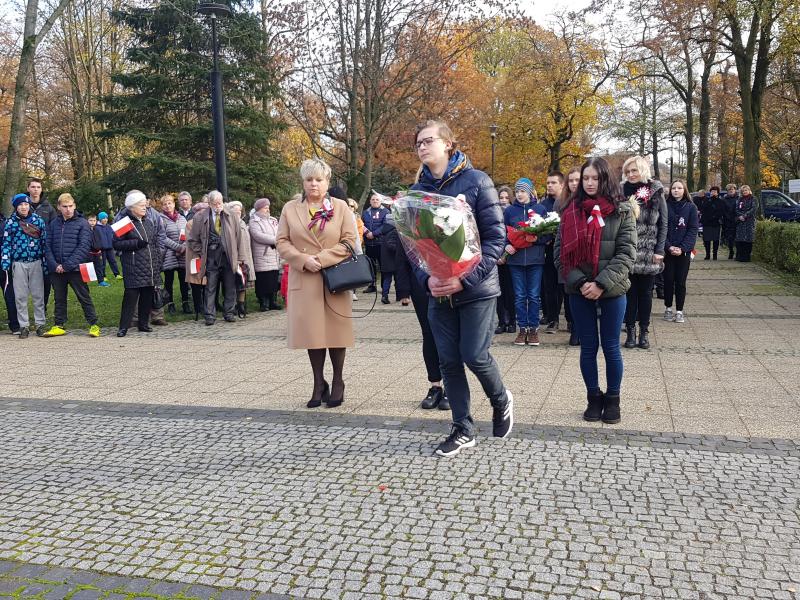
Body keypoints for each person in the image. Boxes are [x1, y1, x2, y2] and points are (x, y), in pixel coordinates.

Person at [410, 119, 512, 457]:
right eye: (418, 143)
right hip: (439, 290)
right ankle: (462, 428)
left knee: (474, 355)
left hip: (476, 288)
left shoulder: (477, 181)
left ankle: (501, 399)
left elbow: (496, 239)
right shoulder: (417, 191)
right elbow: (414, 247)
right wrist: (427, 279)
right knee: (449, 361)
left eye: (428, 140)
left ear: (448, 144)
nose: (422, 147)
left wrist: (464, 278)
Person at [554, 157, 636, 425]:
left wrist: (601, 283)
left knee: (611, 347)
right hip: (579, 290)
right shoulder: (570, 210)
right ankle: (593, 397)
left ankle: (613, 399)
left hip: (612, 289)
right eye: (585, 178)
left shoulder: (622, 211)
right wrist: (581, 283)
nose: (589, 183)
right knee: (588, 347)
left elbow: (626, 254)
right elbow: (560, 255)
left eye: (595, 178)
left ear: (605, 180)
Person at [276, 158, 357, 409]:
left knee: (336, 331)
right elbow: (282, 242)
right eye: (309, 179)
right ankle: (318, 382)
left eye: (319, 180)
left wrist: (321, 260)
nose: (314, 184)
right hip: (305, 277)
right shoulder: (290, 209)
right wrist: (302, 260)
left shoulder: (341, 207)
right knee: (312, 333)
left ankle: (338, 380)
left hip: (335, 277)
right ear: (303, 182)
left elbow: (349, 241)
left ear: (327, 182)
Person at [620, 156, 667, 350]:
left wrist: (660, 250)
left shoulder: (655, 190)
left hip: (649, 249)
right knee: (629, 293)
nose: (631, 174)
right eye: (628, 171)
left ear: (643, 170)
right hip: (627, 248)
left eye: (634, 170)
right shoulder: (621, 191)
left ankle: (644, 332)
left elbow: (663, 223)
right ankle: (630, 331)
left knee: (646, 294)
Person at [43, 193, 100, 337]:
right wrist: (54, 265)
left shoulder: (82, 223)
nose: (68, 209)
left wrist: (67, 265)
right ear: (59, 207)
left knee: (84, 296)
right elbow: (47, 246)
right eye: (65, 206)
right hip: (57, 269)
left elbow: (83, 247)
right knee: (59, 298)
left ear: (74, 206)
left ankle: (94, 324)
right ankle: (59, 325)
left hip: (76, 269)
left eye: (70, 206)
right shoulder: (53, 224)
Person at [187, 191, 247, 325]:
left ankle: (229, 312)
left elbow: (239, 237)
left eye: (220, 203)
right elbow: (192, 239)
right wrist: (202, 251)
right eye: (215, 204)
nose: (218, 206)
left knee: (230, 285)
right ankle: (209, 315)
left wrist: (241, 257)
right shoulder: (200, 217)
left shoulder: (231, 215)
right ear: (209, 203)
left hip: (228, 256)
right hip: (211, 256)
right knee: (210, 286)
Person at [504, 178, 548, 346]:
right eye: (517, 191)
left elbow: (548, 234)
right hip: (515, 260)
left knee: (534, 296)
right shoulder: (509, 211)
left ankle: (533, 329)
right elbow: (502, 231)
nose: (519, 194)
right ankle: (522, 329)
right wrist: (506, 245)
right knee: (520, 296)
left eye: (522, 191)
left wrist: (536, 239)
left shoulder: (540, 209)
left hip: (535, 259)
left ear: (530, 192)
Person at [114, 191, 164, 337]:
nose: (145, 208)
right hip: (133, 265)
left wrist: (157, 262)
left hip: (150, 266)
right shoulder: (124, 222)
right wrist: (135, 243)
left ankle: (143, 324)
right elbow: (116, 244)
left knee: (147, 295)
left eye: (145, 205)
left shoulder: (149, 221)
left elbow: (154, 243)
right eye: (141, 205)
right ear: (132, 207)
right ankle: (123, 327)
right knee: (130, 297)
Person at [1, 194, 48, 338]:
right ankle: (24, 326)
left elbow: (44, 242)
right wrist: (5, 262)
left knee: (38, 295)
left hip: (36, 261)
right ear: (16, 207)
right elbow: (6, 244)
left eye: (26, 204)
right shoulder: (11, 223)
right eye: (20, 205)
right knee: (20, 296)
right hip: (19, 263)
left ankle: (40, 324)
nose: (24, 207)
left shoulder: (38, 221)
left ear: (29, 206)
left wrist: (45, 262)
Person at [663, 179, 699, 324]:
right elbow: (661, 228)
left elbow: (693, 229)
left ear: (684, 190)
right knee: (668, 280)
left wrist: (683, 248)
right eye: (673, 188)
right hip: (668, 250)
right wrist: (668, 246)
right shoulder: (665, 206)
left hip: (684, 252)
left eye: (679, 188)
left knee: (680, 281)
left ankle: (679, 311)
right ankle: (668, 307)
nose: (676, 190)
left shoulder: (691, 207)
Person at [557, 167, 580, 346]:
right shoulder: (562, 202)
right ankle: (572, 325)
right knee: (569, 293)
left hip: (584, 255)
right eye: (570, 180)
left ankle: (581, 328)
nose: (574, 183)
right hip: (567, 255)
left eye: (577, 180)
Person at [26, 178, 56, 307]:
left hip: (44, 250)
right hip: (25, 250)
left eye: (38, 187)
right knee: (25, 284)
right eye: (33, 187)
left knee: (45, 281)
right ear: (28, 188)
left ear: (41, 189)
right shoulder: (22, 206)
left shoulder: (48, 207)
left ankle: (42, 310)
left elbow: (54, 227)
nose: (35, 189)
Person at [541, 171, 564, 333]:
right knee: (550, 286)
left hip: (565, 249)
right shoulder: (543, 205)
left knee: (565, 286)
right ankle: (552, 319)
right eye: (548, 182)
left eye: (553, 182)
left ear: (562, 184)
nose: (549, 185)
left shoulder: (569, 202)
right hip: (549, 250)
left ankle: (571, 320)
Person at [158, 194, 190, 314]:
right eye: (165, 204)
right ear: (162, 206)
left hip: (183, 253)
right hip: (169, 254)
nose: (167, 206)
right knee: (169, 280)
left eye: (169, 203)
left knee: (184, 280)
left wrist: (184, 246)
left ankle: (185, 303)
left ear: (174, 204)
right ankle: (170, 303)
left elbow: (188, 233)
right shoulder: (160, 219)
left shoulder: (182, 218)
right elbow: (162, 237)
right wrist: (177, 247)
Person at [249, 197, 282, 311]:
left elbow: (280, 232)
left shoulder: (273, 220)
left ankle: (273, 301)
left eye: (268, 207)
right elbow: (258, 235)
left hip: (274, 254)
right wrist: (276, 240)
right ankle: (264, 302)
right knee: (263, 279)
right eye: (265, 208)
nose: (268, 210)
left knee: (273, 278)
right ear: (259, 209)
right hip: (262, 255)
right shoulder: (254, 221)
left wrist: (279, 239)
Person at [226, 200, 255, 318]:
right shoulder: (229, 223)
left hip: (246, 257)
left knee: (243, 282)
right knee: (233, 283)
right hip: (235, 257)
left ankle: (241, 305)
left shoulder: (242, 223)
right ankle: (232, 306)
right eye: (235, 210)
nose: (238, 212)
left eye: (239, 210)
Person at [494, 186, 516, 334]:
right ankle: (502, 321)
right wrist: (497, 256)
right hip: (495, 259)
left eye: (506, 198)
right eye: (501, 198)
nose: (503, 200)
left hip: (511, 258)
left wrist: (505, 256)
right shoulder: (493, 215)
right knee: (499, 292)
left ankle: (512, 321)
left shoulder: (512, 215)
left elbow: (515, 237)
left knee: (511, 292)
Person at [184, 201, 208, 319]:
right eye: (200, 212)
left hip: (207, 257)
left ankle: (208, 305)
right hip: (195, 257)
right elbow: (192, 241)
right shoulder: (190, 224)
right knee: (196, 283)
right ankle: (198, 307)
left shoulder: (208, 222)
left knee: (206, 283)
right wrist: (203, 252)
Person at [361, 193, 389, 294]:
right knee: (370, 266)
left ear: (380, 201)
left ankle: (383, 287)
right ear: (370, 201)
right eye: (373, 199)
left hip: (381, 243)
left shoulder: (386, 212)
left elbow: (385, 225)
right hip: (369, 243)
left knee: (383, 266)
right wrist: (367, 233)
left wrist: (374, 234)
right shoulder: (365, 212)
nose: (375, 201)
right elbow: (361, 224)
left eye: (377, 199)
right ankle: (372, 285)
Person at [700, 186, 724, 260]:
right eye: (712, 191)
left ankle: (715, 254)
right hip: (707, 222)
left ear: (717, 193)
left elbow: (721, 211)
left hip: (715, 223)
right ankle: (707, 254)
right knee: (706, 239)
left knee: (715, 239)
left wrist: (715, 217)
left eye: (715, 191)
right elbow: (703, 209)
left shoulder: (720, 201)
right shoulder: (706, 200)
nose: (713, 193)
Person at [95, 212, 121, 280]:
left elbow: (114, 235)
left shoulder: (109, 226)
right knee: (102, 263)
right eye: (103, 218)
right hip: (101, 249)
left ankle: (117, 274)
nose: (105, 219)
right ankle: (103, 276)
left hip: (110, 248)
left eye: (106, 218)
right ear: (100, 219)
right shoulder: (96, 228)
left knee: (113, 261)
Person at [87, 214, 111, 287]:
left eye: (94, 220)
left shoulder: (97, 229)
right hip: (89, 252)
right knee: (88, 267)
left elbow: (100, 239)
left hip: (98, 252)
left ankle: (101, 281)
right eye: (91, 220)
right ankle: (86, 281)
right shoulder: (85, 230)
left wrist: (100, 248)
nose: (92, 222)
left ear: (96, 221)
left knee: (99, 267)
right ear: (87, 221)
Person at [735, 185, 756, 262]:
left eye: (746, 190)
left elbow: (753, 209)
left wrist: (745, 215)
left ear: (749, 190)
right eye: (743, 191)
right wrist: (740, 216)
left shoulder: (753, 199)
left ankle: (747, 257)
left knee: (748, 240)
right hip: (740, 222)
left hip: (749, 221)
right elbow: (737, 209)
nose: (744, 192)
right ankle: (740, 256)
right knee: (740, 240)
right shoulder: (740, 199)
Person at [722, 183, 738, 259]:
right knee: (729, 238)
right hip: (727, 221)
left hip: (737, 220)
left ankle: (738, 252)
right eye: (729, 189)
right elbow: (723, 209)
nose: (731, 191)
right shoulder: (724, 199)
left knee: (737, 238)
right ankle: (731, 251)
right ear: (727, 191)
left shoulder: (738, 198)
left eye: (732, 189)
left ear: (735, 190)